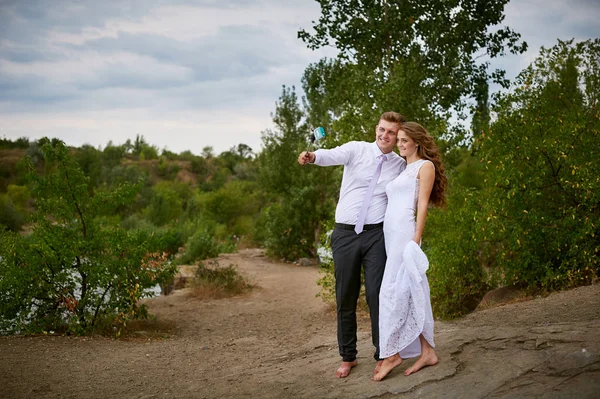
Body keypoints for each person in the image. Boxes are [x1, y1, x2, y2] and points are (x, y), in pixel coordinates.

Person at [298, 112, 406, 378]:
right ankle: (348, 356)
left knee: (377, 295)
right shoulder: (357, 150)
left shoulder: (399, 165)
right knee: (345, 295)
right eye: (382, 129)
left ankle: (383, 354)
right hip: (345, 235)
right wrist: (312, 157)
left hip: (376, 236)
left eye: (391, 133)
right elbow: (330, 155)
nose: (384, 135)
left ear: (397, 136)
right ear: (376, 129)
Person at [373, 121, 448, 381]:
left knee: (393, 291)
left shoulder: (424, 167)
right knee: (409, 289)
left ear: (416, 141)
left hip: (405, 233)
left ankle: (393, 353)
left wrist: (416, 238)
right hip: (389, 234)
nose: (400, 144)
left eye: (405, 140)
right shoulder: (403, 168)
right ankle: (426, 351)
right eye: (399, 140)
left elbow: (423, 205)